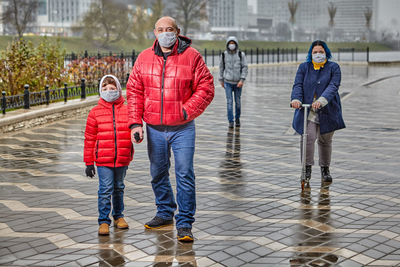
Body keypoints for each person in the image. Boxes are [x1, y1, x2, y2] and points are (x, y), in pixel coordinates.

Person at [126, 16, 214, 242]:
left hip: (183, 128)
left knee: (184, 174)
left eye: (170, 29)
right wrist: (135, 123)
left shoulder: (192, 56)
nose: (165, 33)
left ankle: (184, 222)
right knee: (158, 173)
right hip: (154, 128)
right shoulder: (144, 58)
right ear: (154, 32)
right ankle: (165, 212)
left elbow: (206, 87)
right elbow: (134, 91)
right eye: (161, 29)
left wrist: (187, 110)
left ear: (178, 31)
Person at [84, 74, 133, 236]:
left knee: (119, 187)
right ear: (100, 91)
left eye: (112, 89)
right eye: (105, 89)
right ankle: (104, 220)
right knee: (105, 189)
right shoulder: (95, 112)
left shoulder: (127, 110)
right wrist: (89, 162)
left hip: (122, 157)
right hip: (103, 159)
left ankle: (119, 217)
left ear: (119, 90)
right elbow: (89, 138)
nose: (109, 91)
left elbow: (134, 131)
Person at [290, 40, 345, 184]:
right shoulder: (304, 67)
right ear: (310, 54)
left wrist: (321, 100)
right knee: (308, 137)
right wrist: (296, 99)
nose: (318, 54)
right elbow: (298, 85)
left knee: (325, 140)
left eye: (321, 52)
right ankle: (306, 167)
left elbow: (333, 86)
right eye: (315, 52)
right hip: (308, 110)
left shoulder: (334, 67)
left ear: (326, 53)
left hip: (328, 109)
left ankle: (325, 169)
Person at [219, 36, 248, 128]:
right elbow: (221, 68)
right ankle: (230, 121)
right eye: (230, 43)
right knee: (229, 102)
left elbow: (245, 67)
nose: (232, 45)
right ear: (227, 44)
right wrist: (221, 80)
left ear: (236, 44)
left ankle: (237, 118)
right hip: (227, 82)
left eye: (233, 43)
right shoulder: (224, 55)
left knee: (238, 102)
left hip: (238, 83)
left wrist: (242, 79)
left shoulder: (241, 54)